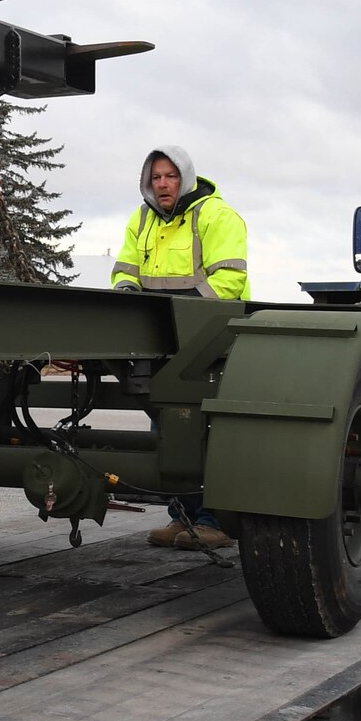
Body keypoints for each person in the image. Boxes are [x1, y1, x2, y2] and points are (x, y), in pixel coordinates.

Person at [111, 146, 249, 550]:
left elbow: (228, 282)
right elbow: (125, 270)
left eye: (170, 176)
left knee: (203, 432)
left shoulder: (217, 216)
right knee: (167, 430)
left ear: (185, 177)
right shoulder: (142, 220)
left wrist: (177, 316)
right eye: (156, 178)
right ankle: (183, 517)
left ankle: (214, 521)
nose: (163, 184)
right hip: (163, 346)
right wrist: (123, 297)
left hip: (211, 342)